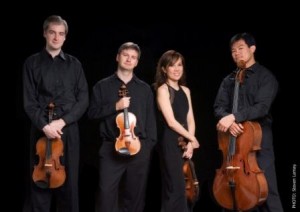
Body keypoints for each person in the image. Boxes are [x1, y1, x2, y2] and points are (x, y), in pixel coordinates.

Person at [23, 15, 89, 212]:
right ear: (45, 33)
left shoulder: (75, 64)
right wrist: (45, 125)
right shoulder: (31, 63)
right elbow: (29, 102)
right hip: (41, 130)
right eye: (52, 32)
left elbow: (83, 99)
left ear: (65, 37)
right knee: (39, 184)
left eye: (61, 34)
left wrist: (62, 122)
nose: (56, 37)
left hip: (67, 130)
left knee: (69, 185)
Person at [214, 32, 283, 212]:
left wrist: (234, 117)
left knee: (267, 190)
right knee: (233, 194)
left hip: (258, 141)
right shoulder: (229, 80)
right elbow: (219, 107)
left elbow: (262, 108)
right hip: (233, 142)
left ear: (252, 49)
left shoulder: (266, 77)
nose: (237, 53)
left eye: (241, 48)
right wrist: (228, 121)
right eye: (233, 51)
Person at [88, 42, 157, 212]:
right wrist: (115, 106)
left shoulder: (144, 89)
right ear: (117, 57)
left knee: (135, 197)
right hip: (110, 147)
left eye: (133, 57)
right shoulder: (102, 86)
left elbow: (151, 123)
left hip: (138, 148)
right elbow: (92, 113)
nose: (129, 59)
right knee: (106, 195)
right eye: (125, 55)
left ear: (137, 62)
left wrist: (147, 148)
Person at [154, 50, 200, 212]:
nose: (176, 69)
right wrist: (192, 139)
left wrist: (190, 143)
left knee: (187, 189)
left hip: (184, 143)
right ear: (164, 69)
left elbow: (190, 120)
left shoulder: (186, 91)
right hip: (169, 142)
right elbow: (171, 122)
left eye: (179, 65)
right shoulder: (163, 90)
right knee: (175, 189)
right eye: (172, 65)